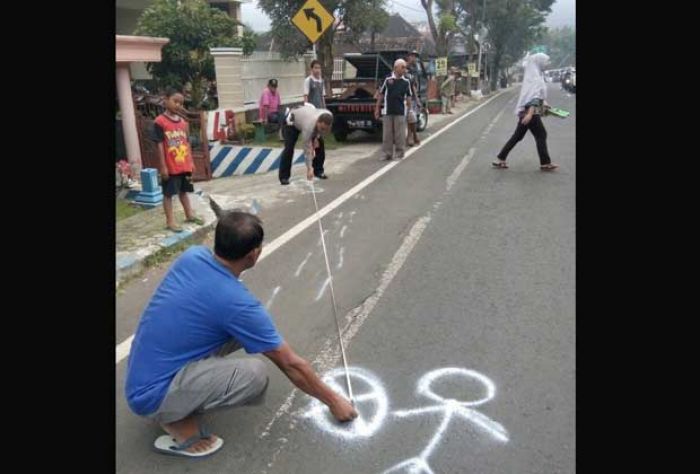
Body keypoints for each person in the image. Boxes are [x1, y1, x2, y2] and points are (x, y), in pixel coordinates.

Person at [125, 209, 358, 458]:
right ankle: (176, 421)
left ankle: (184, 392)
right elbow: (291, 364)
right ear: (253, 254)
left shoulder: (193, 256)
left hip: (144, 369)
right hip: (150, 395)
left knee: (247, 332)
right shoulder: (238, 304)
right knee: (254, 374)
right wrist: (334, 401)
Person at [493, 53, 559, 171]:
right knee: (541, 134)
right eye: (545, 62)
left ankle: (500, 158)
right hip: (530, 111)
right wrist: (530, 114)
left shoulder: (534, 75)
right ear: (539, 62)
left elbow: (536, 96)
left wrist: (544, 103)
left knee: (517, 136)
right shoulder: (534, 77)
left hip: (528, 110)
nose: (547, 64)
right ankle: (545, 163)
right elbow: (533, 97)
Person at [150, 87, 204, 233]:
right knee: (168, 194)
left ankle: (189, 214)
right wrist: (163, 167)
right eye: (175, 101)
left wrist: (191, 162)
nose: (178, 105)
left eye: (181, 103)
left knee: (184, 191)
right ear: (166, 100)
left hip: (184, 165)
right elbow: (160, 145)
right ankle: (170, 221)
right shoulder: (159, 122)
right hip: (170, 166)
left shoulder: (183, 122)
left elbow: (187, 143)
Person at [278, 104, 333, 184]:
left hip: (305, 117)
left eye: (325, 129)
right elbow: (307, 150)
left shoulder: (329, 115)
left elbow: (322, 130)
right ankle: (284, 177)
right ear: (318, 122)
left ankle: (318, 171)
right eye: (321, 128)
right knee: (289, 148)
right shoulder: (308, 127)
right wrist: (309, 168)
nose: (323, 130)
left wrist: (317, 136)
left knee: (320, 144)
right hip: (292, 122)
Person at [374, 58, 412, 160]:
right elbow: (381, 95)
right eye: (402, 67)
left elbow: (409, 97)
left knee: (400, 135)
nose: (404, 69)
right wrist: (377, 108)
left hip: (400, 111)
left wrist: (410, 111)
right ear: (396, 68)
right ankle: (387, 153)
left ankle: (400, 153)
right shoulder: (388, 80)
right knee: (387, 135)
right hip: (388, 111)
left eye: (405, 67)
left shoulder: (406, 81)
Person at [404, 51, 422, 147]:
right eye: (413, 56)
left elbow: (414, 85)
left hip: (412, 96)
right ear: (408, 57)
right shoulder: (403, 68)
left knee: (412, 118)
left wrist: (417, 99)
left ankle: (412, 135)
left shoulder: (414, 69)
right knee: (409, 117)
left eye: (415, 57)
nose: (414, 59)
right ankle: (411, 136)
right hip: (404, 97)